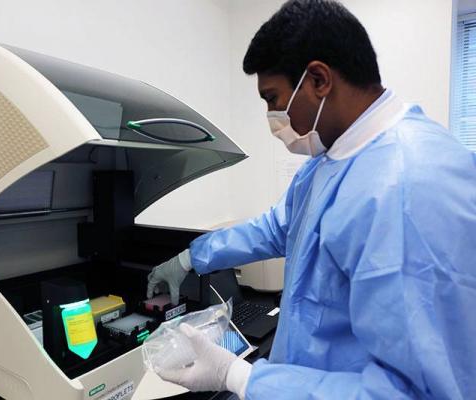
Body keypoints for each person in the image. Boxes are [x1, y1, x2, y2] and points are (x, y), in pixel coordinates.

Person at [145, 0, 476, 399]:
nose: (273, 118)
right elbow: (280, 227)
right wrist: (192, 257)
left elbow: (415, 392)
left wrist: (238, 377)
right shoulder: (334, 158)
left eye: (272, 98)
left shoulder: (408, 188)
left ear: (318, 80)